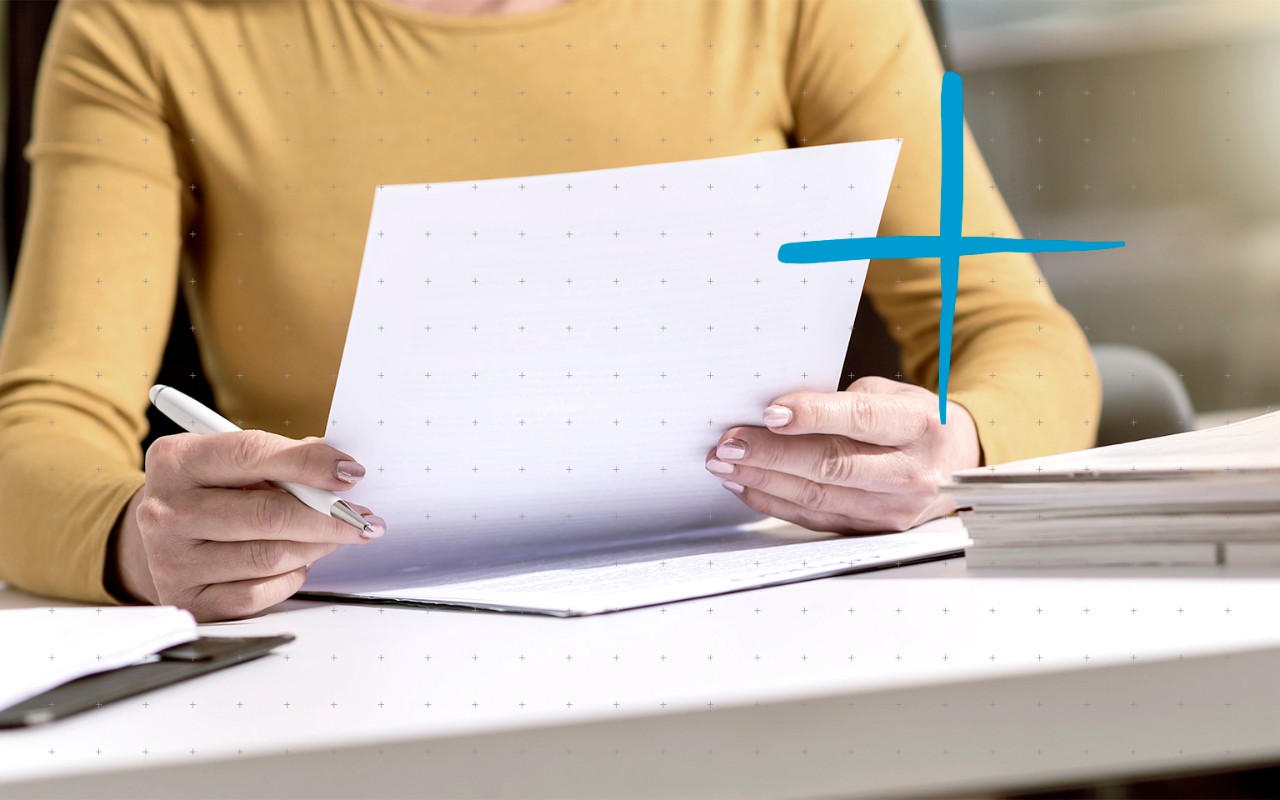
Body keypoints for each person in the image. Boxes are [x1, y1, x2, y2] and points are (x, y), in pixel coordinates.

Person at [0, 0, 1099, 621]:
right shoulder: (148, 25)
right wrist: (138, 542)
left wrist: (957, 442)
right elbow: (41, 428)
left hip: (771, 616)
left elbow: (1012, 329)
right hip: (357, 660)